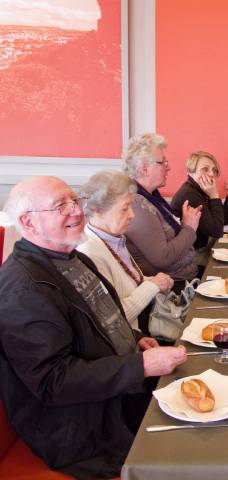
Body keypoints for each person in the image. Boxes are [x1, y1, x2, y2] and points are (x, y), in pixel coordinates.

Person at [0, 176, 187, 478]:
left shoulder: (69, 258)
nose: (76, 211)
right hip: (81, 427)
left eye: (75, 200)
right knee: (191, 445)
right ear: (28, 223)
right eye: (61, 206)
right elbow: (53, 382)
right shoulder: (24, 289)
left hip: (116, 391)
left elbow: (104, 322)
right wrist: (137, 366)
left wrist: (135, 340)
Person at [77, 170, 174, 332]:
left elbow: (132, 281)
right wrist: (154, 285)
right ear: (98, 211)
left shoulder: (113, 238)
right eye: (124, 208)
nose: (132, 215)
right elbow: (115, 317)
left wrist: (155, 281)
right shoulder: (89, 253)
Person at [123, 133, 202, 284]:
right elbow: (163, 258)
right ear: (144, 169)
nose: (169, 167)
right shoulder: (136, 203)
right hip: (173, 287)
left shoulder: (151, 196)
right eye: (163, 163)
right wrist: (189, 228)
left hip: (187, 276)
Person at [170, 151, 228, 263]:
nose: (211, 174)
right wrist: (214, 195)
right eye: (205, 169)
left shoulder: (199, 189)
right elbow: (216, 231)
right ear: (191, 172)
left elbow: (222, 221)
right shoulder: (190, 194)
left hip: (200, 249)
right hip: (190, 256)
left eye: (214, 170)